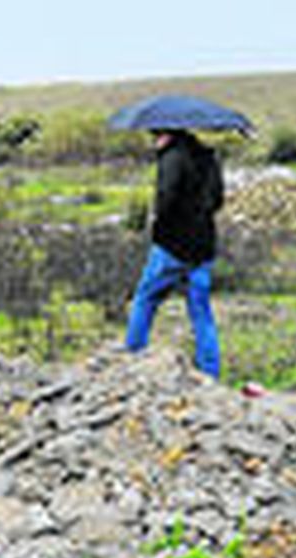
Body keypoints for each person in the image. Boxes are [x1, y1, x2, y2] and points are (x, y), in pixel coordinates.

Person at [125, 128, 224, 378]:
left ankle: (132, 357)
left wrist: (158, 222)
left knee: (144, 299)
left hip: (172, 245)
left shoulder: (172, 157)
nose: (154, 142)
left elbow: (165, 199)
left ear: (166, 134)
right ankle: (210, 371)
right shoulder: (209, 157)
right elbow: (218, 200)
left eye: (155, 136)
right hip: (203, 246)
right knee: (201, 312)